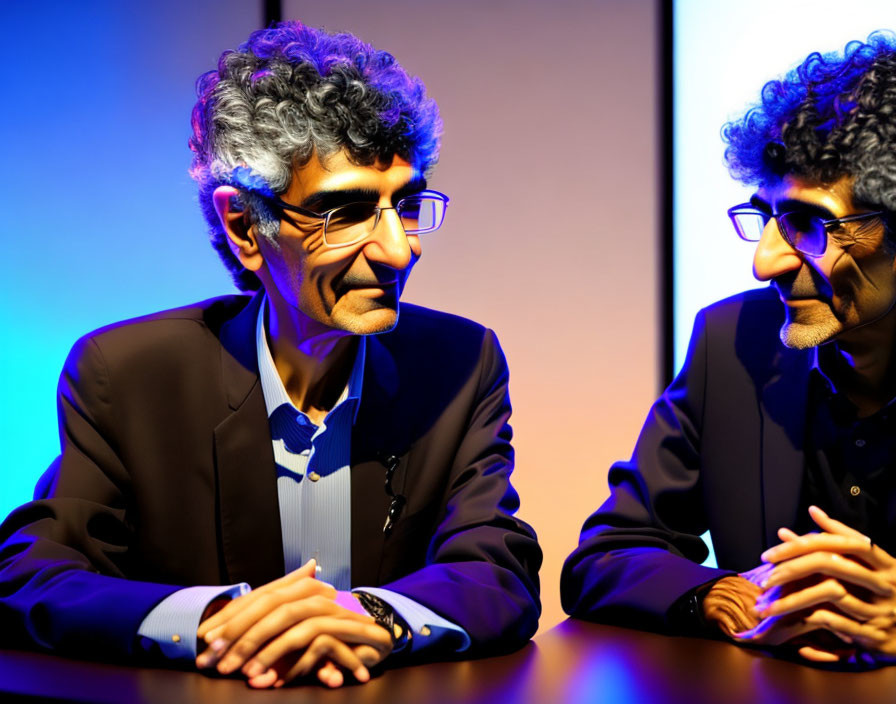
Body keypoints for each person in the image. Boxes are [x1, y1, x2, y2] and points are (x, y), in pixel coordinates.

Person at [0, 21, 541, 688]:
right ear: (244, 227)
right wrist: (213, 621)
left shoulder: (461, 364)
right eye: (343, 213)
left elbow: (497, 569)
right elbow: (33, 575)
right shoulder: (126, 377)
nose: (401, 250)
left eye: (403, 204)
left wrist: (370, 616)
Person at [562, 31, 896, 665]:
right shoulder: (731, 344)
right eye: (764, 217)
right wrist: (711, 593)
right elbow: (607, 555)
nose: (763, 262)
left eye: (806, 224)